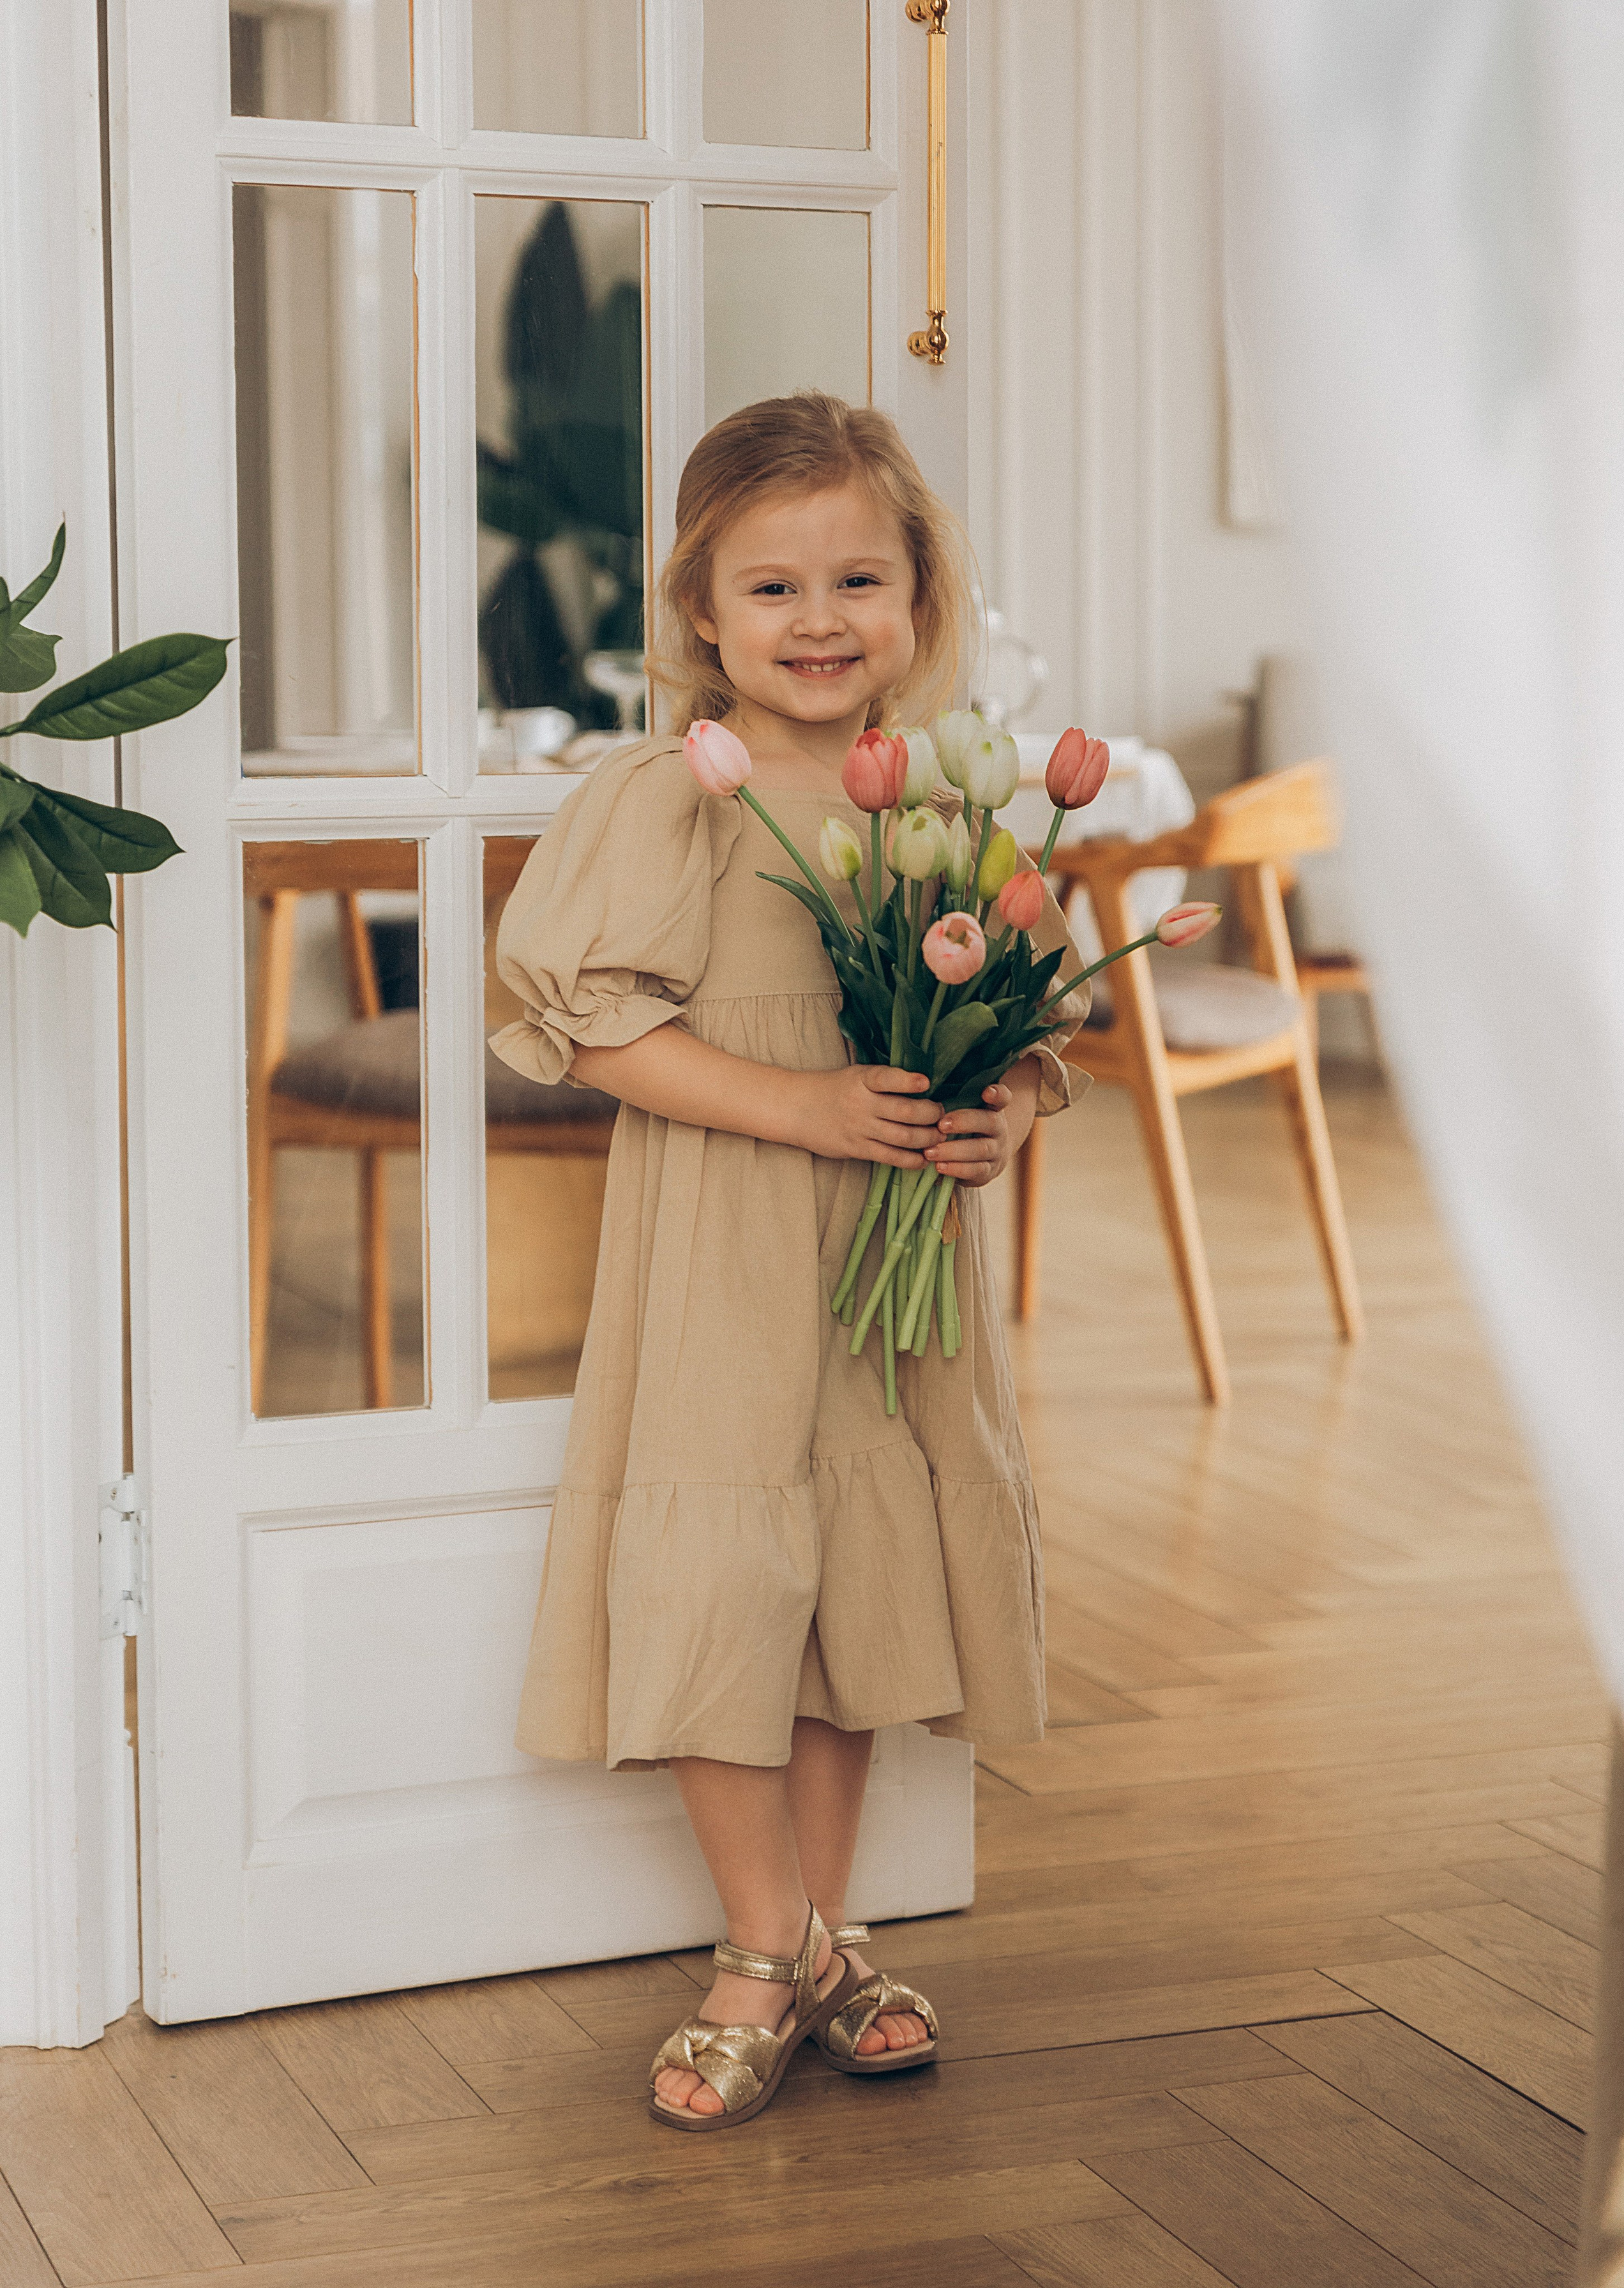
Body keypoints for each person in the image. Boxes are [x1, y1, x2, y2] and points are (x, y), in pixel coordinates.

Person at [492, 391, 1090, 2130]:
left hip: (892, 1274)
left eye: (858, 581)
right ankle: (760, 1949)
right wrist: (803, 1107)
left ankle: (822, 1936)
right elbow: (588, 1028)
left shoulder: (957, 793)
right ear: (699, 612)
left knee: (842, 1592)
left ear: (919, 595)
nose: (819, 622)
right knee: (723, 1578)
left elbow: (1031, 1026)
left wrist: (1007, 1115)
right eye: (771, 590)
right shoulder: (675, 795)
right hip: (732, 1253)